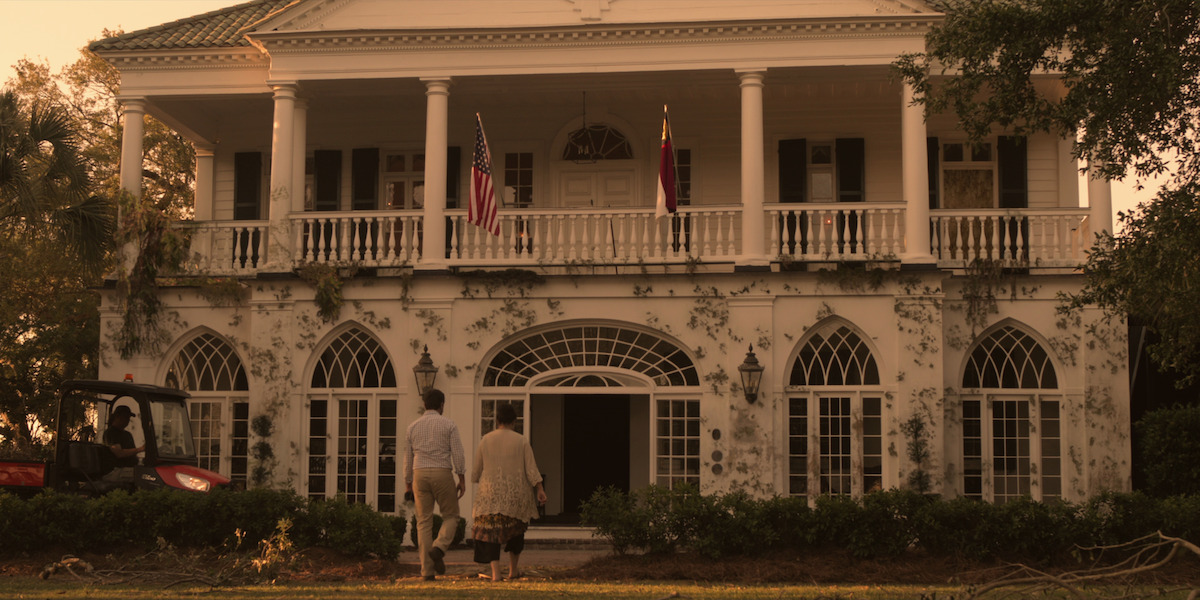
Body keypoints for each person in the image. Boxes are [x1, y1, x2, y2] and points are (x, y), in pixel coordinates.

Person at [471, 402, 547, 582]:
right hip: (515, 496)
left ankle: (496, 573)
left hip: (490, 495)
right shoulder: (521, 441)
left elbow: (476, 471)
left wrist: (475, 479)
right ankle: (513, 570)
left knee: (491, 534)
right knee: (516, 533)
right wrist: (540, 489)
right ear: (514, 421)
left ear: (497, 420)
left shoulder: (486, 440)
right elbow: (531, 469)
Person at [404, 388, 466, 581]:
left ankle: (427, 572)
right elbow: (458, 453)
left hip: (419, 473)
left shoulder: (413, 426)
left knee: (423, 522)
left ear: (424, 404)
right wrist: (461, 477)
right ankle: (439, 547)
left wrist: (408, 483)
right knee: (451, 515)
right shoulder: (449, 425)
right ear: (442, 405)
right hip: (442, 472)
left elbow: (408, 457)